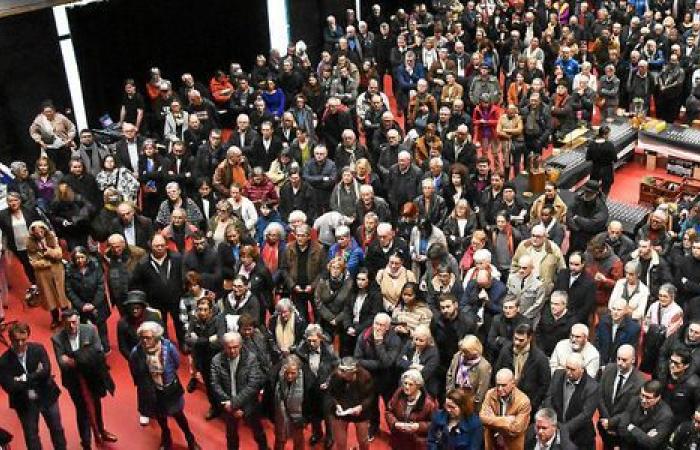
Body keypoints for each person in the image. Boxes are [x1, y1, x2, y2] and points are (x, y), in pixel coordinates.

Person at [128, 321, 201, 450]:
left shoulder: (168, 347)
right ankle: (166, 438)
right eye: (142, 337)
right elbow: (135, 372)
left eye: (148, 338)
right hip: (153, 391)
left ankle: (190, 438)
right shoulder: (137, 352)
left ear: (156, 337)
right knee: (161, 417)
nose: (145, 341)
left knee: (179, 415)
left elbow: (176, 363)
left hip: (170, 388)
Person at [52, 310, 116, 450]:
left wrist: (75, 359)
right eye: (68, 323)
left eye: (74, 322)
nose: (72, 326)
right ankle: (86, 442)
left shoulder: (90, 330)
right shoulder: (57, 338)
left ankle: (101, 431)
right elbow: (62, 362)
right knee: (82, 411)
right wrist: (86, 357)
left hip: (93, 376)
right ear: (63, 323)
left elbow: (99, 353)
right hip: (74, 381)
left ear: (79, 319)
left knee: (97, 404)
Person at [0, 322, 67, 450]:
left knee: (57, 429)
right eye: (16, 340)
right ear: (10, 339)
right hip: (24, 402)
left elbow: (46, 371)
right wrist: (36, 374)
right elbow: (10, 387)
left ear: (28, 336)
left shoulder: (38, 349)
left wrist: (23, 379)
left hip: (47, 395)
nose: (20, 344)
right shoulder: (3, 361)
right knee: (31, 437)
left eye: (23, 340)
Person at [130, 234, 185, 345]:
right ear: (151, 246)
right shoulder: (143, 264)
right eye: (157, 246)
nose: (160, 248)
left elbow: (183, 276)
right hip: (155, 302)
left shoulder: (177, 258)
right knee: (160, 324)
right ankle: (165, 344)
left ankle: (183, 342)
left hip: (176, 299)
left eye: (162, 245)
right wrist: (144, 302)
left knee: (180, 322)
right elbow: (136, 284)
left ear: (166, 245)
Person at [543, 352, 600, 449]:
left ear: (582, 370)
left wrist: (563, 430)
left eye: (573, 370)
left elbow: (585, 415)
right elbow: (549, 397)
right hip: (556, 430)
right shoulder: (558, 375)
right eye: (567, 368)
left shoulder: (592, 387)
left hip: (580, 437)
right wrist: (553, 421)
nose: (568, 372)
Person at [494, 323, 551, 414]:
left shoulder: (540, 358)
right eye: (515, 338)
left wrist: (532, 405)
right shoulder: (505, 351)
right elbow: (497, 371)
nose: (517, 342)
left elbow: (544, 385)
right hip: (504, 400)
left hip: (528, 403)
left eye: (521, 340)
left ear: (529, 338)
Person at [598, 344, 646, 450]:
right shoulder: (609, 369)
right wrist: (606, 420)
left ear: (633, 360)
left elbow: (630, 409)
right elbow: (600, 395)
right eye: (618, 359)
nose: (620, 363)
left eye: (624, 360)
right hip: (604, 424)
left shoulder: (640, 381)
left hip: (622, 430)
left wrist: (611, 422)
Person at [65, 247, 111, 351]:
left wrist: (94, 304)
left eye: (82, 257)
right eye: (77, 258)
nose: (80, 260)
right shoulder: (69, 271)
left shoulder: (96, 266)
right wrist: (81, 305)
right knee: (85, 329)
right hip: (81, 306)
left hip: (98, 304)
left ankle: (105, 345)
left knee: (101, 326)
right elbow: (69, 290)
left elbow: (101, 286)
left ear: (87, 257)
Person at [26, 220, 70, 328]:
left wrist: (48, 252)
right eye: (36, 233)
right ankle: (55, 319)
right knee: (49, 296)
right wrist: (48, 262)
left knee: (62, 295)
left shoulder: (52, 238)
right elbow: (34, 262)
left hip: (57, 271)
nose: (39, 234)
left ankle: (66, 317)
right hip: (43, 274)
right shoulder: (30, 243)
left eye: (41, 231)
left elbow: (59, 254)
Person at [0, 192, 41, 300]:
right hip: (18, 246)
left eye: (15, 200)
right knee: (27, 265)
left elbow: (39, 224)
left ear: (20, 200)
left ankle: (43, 283)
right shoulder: (2, 215)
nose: (12, 203)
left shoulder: (29, 210)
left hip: (34, 244)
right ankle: (34, 284)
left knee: (38, 263)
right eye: (10, 201)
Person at [386, 368, 438, 449]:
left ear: (418, 386)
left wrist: (418, 426)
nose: (406, 387)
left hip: (416, 443)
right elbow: (389, 411)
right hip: (399, 440)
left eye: (410, 384)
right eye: (405, 383)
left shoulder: (428, 403)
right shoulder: (399, 393)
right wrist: (395, 423)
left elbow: (434, 423)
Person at [480, 368, 532, 450]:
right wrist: (506, 420)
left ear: (513, 383)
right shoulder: (490, 394)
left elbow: (516, 428)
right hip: (492, 443)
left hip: (512, 445)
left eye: (504, 385)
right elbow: (483, 418)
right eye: (498, 385)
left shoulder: (523, 401)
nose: (500, 389)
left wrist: (492, 421)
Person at [616, 380, 675, 449]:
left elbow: (651, 443)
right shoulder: (634, 401)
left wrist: (632, 428)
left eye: (648, 397)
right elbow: (622, 426)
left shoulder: (666, 416)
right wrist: (643, 436)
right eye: (642, 395)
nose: (643, 400)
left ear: (658, 398)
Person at [446, 335, 492, 410]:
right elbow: (450, 374)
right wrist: (450, 393)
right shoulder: (457, 356)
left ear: (475, 352)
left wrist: (471, 405)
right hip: (454, 396)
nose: (463, 354)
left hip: (470, 403)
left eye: (466, 352)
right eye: (462, 350)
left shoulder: (484, 366)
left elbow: (481, 390)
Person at [29, 100, 76, 172]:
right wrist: (40, 141)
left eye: (50, 111)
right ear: (43, 112)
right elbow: (33, 132)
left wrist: (69, 139)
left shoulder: (61, 117)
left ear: (54, 111)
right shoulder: (39, 120)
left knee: (67, 166)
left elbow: (71, 128)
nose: (48, 113)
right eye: (46, 112)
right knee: (53, 167)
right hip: (49, 148)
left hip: (64, 145)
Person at [596, 298, 642, 364]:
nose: (615, 312)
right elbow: (598, 343)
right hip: (602, 362)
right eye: (614, 309)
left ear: (625, 311)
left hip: (621, 364)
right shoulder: (603, 321)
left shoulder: (634, 328)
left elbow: (630, 353)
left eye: (619, 310)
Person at [586, 125, 618, 195]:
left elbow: (588, 158)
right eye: (609, 134)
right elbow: (615, 159)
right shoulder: (610, 145)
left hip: (595, 169)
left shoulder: (592, 144)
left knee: (593, 188)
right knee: (605, 190)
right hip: (607, 170)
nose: (609, 135)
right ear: (604, 135)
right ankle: (603, 202)